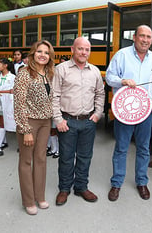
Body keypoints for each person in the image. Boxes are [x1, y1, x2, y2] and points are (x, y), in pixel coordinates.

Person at [105, 25, 152, 201]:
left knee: (144, 148)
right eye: (142, 36)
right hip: (125, 111)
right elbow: (109, 77)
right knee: (121, 148)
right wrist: (122, 81)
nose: (145, 40)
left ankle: (141, 182)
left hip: (146, 111)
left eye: (148, 37)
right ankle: (116, 183)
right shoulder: (122, 55)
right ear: (134, 37)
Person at [52, 37, 105, 206]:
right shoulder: (61, 69)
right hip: (67, 122)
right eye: (80, 49)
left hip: (88, 122)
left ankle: (81, 187)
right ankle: (65, 188)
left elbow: (100, 94)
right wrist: (58, 120)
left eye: (87, 49)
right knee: (66, 158)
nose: (83, 52)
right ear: (72, 50)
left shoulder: (95, 71)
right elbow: (54, 95)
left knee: (85, 157)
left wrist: (98, 114)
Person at [13, 40, 55, 215]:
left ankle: (40, 196)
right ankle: (28, 200)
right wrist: (25, 129)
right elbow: (19, 103)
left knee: (41, 159)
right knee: (26, 160)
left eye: (46, 52)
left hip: (46, 121)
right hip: (29, 121)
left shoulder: (49, 73)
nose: (43, 55)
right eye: (39, 51)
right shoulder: (24, 73)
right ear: (33, 53)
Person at [0, 58, 15, 156]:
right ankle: (2, 143)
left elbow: (13, 90)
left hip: (8, 101)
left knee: (6, 121)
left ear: (5, 66)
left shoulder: (13, 77)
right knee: (0, 121)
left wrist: (0, 91)